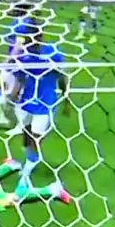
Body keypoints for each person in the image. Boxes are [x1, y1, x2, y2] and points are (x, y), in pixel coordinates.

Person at [7, 32, 70, 190]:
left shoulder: (53, 54)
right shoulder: (24, 56)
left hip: (45, 103)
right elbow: (20, 78)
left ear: (40, 38)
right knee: (26, 134)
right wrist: (14, 95)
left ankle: (29, 167)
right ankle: (30, 158)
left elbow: (62, 78)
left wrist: (66, 100)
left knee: (36, 138)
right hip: (27, 102)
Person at [0, 2, 38, 130]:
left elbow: (19, 45)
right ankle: (4, 118)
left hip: (19, 63)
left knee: (13, 94)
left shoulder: (23, 24)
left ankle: (19, 125)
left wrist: (7, 61)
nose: (8, 8)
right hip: (15, 62)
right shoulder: (20, 21)